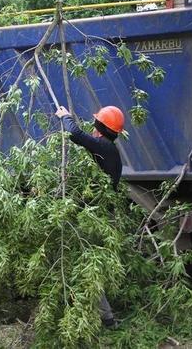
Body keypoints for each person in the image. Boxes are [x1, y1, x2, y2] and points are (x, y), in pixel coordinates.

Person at [55, 105, 124, 328]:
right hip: (103, 215)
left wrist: (65, 117)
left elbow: (76, 135)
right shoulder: (109, 150)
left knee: (88, 264)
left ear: (100, 128)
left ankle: (106, 318)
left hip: (97, 218)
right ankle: (98, 313)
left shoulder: (104, 146)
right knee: (93, 264)